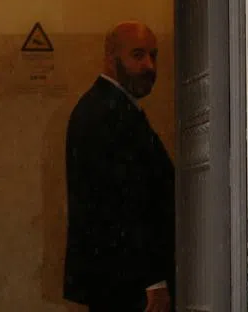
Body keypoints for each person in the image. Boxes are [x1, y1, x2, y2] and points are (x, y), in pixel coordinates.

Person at [64, 21, 175, 312]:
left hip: (118, 281)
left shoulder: (109, 107)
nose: (149, 65)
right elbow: (124, 202)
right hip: (128, 286)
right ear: (110, 59)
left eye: (154, 55)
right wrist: (153, 281)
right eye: (138, 55)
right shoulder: (109, 113)